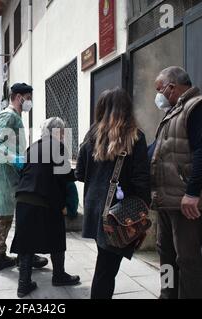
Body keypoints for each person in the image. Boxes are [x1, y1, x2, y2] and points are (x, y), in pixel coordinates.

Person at [151, 66, 202, 299]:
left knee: (187, 258)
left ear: (171, 87)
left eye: (159, 89)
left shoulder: (199, 107)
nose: (157, 95)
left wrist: (192, 192)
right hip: (166, 200)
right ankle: (167, 294)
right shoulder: (174, 111)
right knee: (165, 253)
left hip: (185, 201)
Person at [76, 88, 151, 299]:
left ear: (101, 108)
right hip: (120, 215)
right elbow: (141, 181)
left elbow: (80, 173)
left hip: (96, 209)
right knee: (106, 270)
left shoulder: (92, 135)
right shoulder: (135, 137)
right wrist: (142, 213)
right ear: (126, 108)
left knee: (105, 263)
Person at [11, 117, 80, 298]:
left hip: (23, 199)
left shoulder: (33, 147)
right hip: (43, 200)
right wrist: (80, 173)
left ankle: (23, 284)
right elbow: (63, 177)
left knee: (26, 242)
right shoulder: (57, 147)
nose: (64, 135)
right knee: (57, 235)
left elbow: (27, 170)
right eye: (63, 132)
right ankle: (59, 275)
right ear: (58, 132)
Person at [0, 83, 48, 273]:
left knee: (16, 215)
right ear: (19, 97)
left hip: (13, 174)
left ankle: (22, 254)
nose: (30, 102)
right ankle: (5, 256)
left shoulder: (15, 117)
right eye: (28, 98)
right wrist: (17, 160)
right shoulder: (8, 116)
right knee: (6, 215)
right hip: (7, 174)